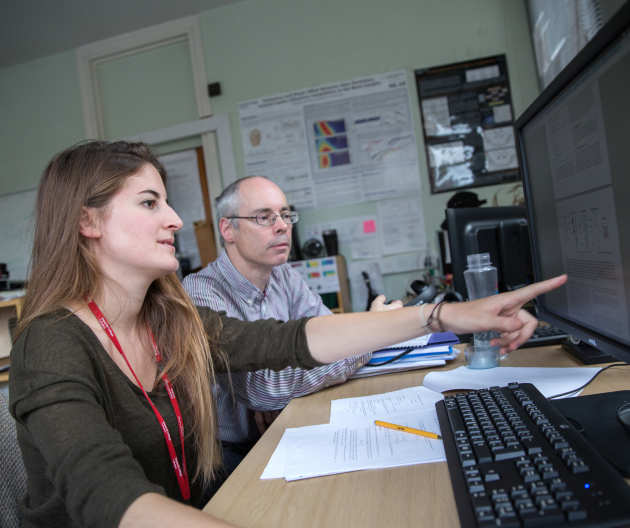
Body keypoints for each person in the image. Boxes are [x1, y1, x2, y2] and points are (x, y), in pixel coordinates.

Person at [9, 140, 567, 528]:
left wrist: (442, 316)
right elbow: (106, 496)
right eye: (151, 203)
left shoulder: (168, 319)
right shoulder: (52, 342)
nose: (177, 219)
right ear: (88, 222)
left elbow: (288, 341)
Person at [183, 176, 400, 474]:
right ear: (227, 229)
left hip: (287, 422)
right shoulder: (200, 291)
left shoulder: (284, 275)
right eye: (264, 217)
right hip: (230, 455)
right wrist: (370, 339)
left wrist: (352, 342)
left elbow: (331, 335)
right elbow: (264, 389)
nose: (283, 226)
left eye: (285, 215)